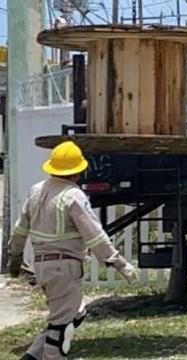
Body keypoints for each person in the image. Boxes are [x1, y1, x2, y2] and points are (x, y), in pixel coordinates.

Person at [7, 141, 138, 360]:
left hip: (41, 265)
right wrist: (119, 263)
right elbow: (94, 234)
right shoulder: (73, 196)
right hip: (64, 267)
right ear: (78, 171)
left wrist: (15, 256)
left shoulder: (36, 191)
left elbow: (20, 228)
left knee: (75, 313)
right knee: (60, 324)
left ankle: (32, 356)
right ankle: (52, 356)